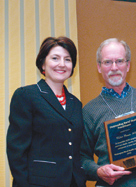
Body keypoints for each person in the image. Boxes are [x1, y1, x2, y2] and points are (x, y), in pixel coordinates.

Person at [81, 38, 136, 186]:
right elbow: (80, 158)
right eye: (107, 62)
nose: (114, 67)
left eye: (120, 61)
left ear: (128, 65)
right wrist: (97, 171)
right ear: (99, 67)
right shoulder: (89, 111)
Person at [7, 36, 86, 187]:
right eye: (55, 58)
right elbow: (16, 151)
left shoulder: (75, 103)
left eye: (68, 59)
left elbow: (77, 149)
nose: (62, 64)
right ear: (43, 63)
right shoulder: (26, 95)